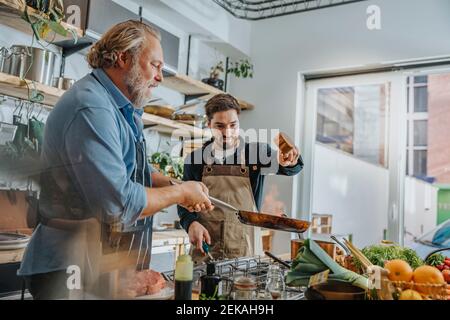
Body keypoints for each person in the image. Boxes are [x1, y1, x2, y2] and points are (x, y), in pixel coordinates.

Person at [18, 20, 213, 299]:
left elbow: (139, 171)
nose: (160, 77)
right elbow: (118, 203)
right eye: (155, 65)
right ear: (124, 58)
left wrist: (180, 186)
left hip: (99, 263)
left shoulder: (122, 108)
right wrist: (181, 192)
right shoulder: (92, 107)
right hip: (68, 267)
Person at [178, 94, 303, 263]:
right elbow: (184, 202)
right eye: (220, 126)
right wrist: (191, 224)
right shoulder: (195, 160)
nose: (227, 132)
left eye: (233, 125)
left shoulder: (256, 154)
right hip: (205, 250)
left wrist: (289, 159)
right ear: (209, 125)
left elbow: (291, 168)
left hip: (245, 253)